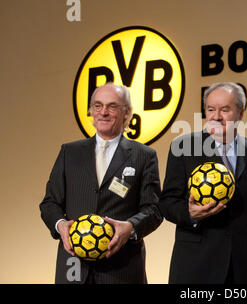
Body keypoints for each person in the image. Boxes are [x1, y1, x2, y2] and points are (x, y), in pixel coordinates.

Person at [40, 83, 163, 284]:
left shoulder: (144, 155)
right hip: (74, 268)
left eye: (112, 106)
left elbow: (154, 209)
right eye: (97, 106)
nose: (103, 112)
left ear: (127, 113)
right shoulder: (69, 152)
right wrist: (60, 225)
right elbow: (49, 203)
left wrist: (130, 228)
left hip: (122, 268)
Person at [158, 82, 247, 284]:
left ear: (241, 113)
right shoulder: (183, 147)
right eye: (211, 109)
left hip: (244, 265)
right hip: (195, 264)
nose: (216, 117)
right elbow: (167, 202)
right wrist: (189, 213)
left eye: (225, 110)